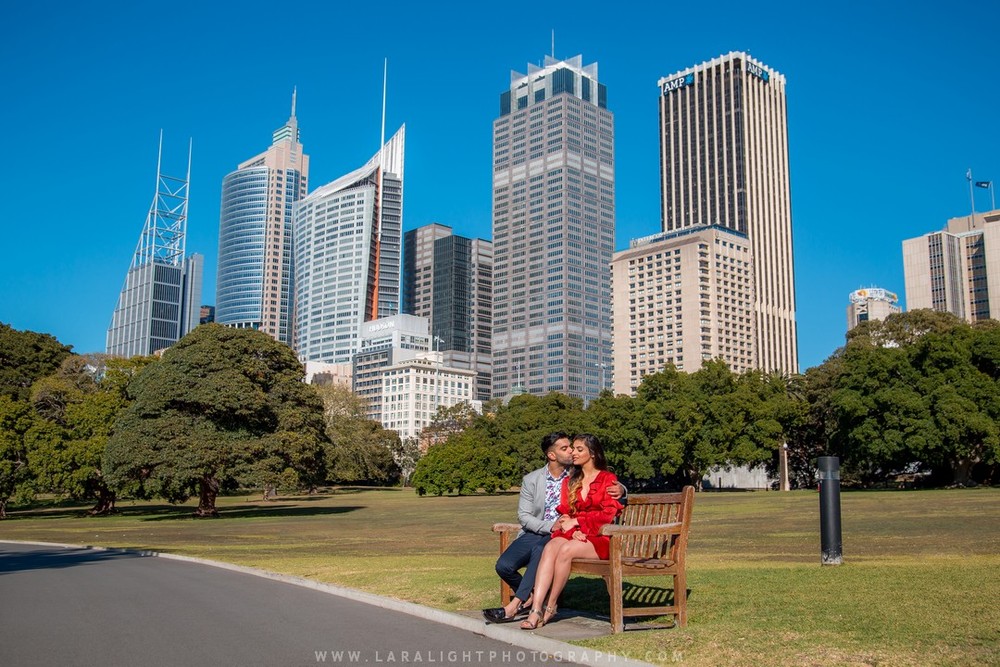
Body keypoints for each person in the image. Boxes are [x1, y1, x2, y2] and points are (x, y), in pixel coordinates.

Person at [482, 433, 624, 624]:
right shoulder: (536, 479)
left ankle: (526, 606)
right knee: (504, 566)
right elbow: (525, 516)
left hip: (576, 534)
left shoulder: (575, 474)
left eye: (575, 448)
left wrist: (622, 489)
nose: (571, 452)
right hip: (546, 530)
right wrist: (558, 526)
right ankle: (531, 600)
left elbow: (608, 495)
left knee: (543, 549)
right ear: (551, 455)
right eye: (566, 448)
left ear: (591, 453)